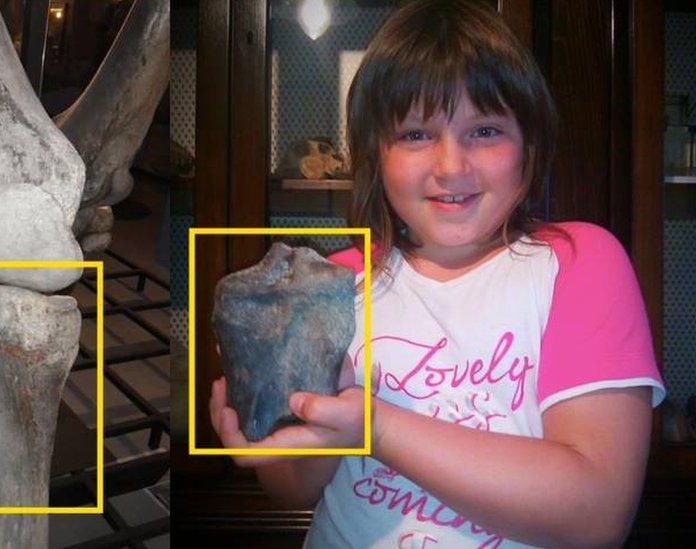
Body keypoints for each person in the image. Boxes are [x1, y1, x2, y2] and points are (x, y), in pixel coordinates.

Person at [208, 1, 665, 547]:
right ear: (375, 154)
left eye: (486, 130)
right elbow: (294, 489)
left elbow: (596, 516)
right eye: (417, 134)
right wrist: (296, 435)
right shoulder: (333, 284)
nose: (451, 167)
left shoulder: (577, 263)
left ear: (531, 145)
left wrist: (375, 429)